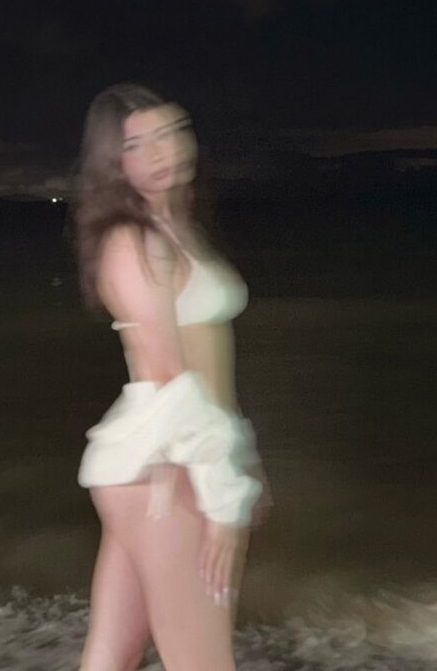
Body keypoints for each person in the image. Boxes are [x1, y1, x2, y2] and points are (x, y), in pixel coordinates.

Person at [71, 82, 272, 671]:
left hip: (167, 459)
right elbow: (168, 377)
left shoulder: (177, 228)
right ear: (113, 162)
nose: (162, 151)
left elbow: (209, 370)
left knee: (113, 655)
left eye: (170, 132)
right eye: (137, 144)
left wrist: (243, 455)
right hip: (169, 466)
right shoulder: (132, 240)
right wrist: (224, 498)